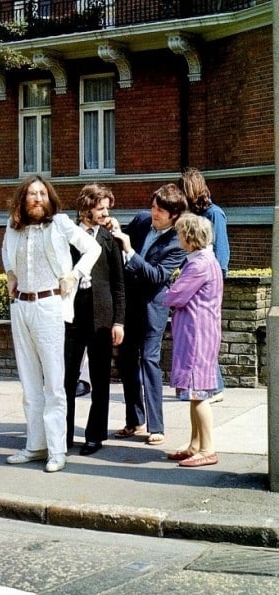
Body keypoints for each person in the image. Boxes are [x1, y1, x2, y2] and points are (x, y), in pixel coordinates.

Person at [2, 175, 101, 472]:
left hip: (49, 306)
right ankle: (35, 445)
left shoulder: (59, 223)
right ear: (23, 198)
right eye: (31, 193)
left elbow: (92, 248)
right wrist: (9, 274)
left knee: (55, 385)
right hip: (21, 306)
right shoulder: (13, 225)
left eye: (41, 193)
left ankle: (57, 451)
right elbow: (6, 251)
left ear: (49, 198)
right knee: (29, 382)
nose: (36, 198)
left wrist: (74, 274)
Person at [111, 184, 188, 446]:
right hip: (128, 306)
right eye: (154, 206)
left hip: (152, 308)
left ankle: (157, 427)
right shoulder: (142, 220)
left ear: (174, 215)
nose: (154, 213)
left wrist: (130, 251)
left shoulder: (177, 242)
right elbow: (120, 237)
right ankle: (134, 421)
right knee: (126, 362)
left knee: (150, 363)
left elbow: (156, 276)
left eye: (161, 210)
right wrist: (114, 228)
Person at [64, 183, 125, 456]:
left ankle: (94, 435)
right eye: (101, 208)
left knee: (100, 379)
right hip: (71, 314)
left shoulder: (109, 238)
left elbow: (118, 284)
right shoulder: (67, 235)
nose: (105, 213)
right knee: (66, 379)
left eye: (107, 208)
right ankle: (63, 435)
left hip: (102, 316)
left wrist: (119, 322)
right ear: (86, 208)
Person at [164, 213, 223, 466]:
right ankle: (195, 444)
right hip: (200, 331)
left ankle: (207, 449)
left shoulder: (199, 265)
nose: (177, 237)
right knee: (193, 392)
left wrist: (168, 289)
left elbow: (175, 296)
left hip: (196, 334)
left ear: (189, 236)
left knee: (198, 393)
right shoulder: (206, 260)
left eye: (180, 233)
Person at [178, 167, 230, 404]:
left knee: (204, 337)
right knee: (198, 339)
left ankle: (213, 387)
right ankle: (206, 386)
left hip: (208, 284)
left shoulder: (214, 215)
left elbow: (220, 256)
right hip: (197, 280)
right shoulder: (193, 215)